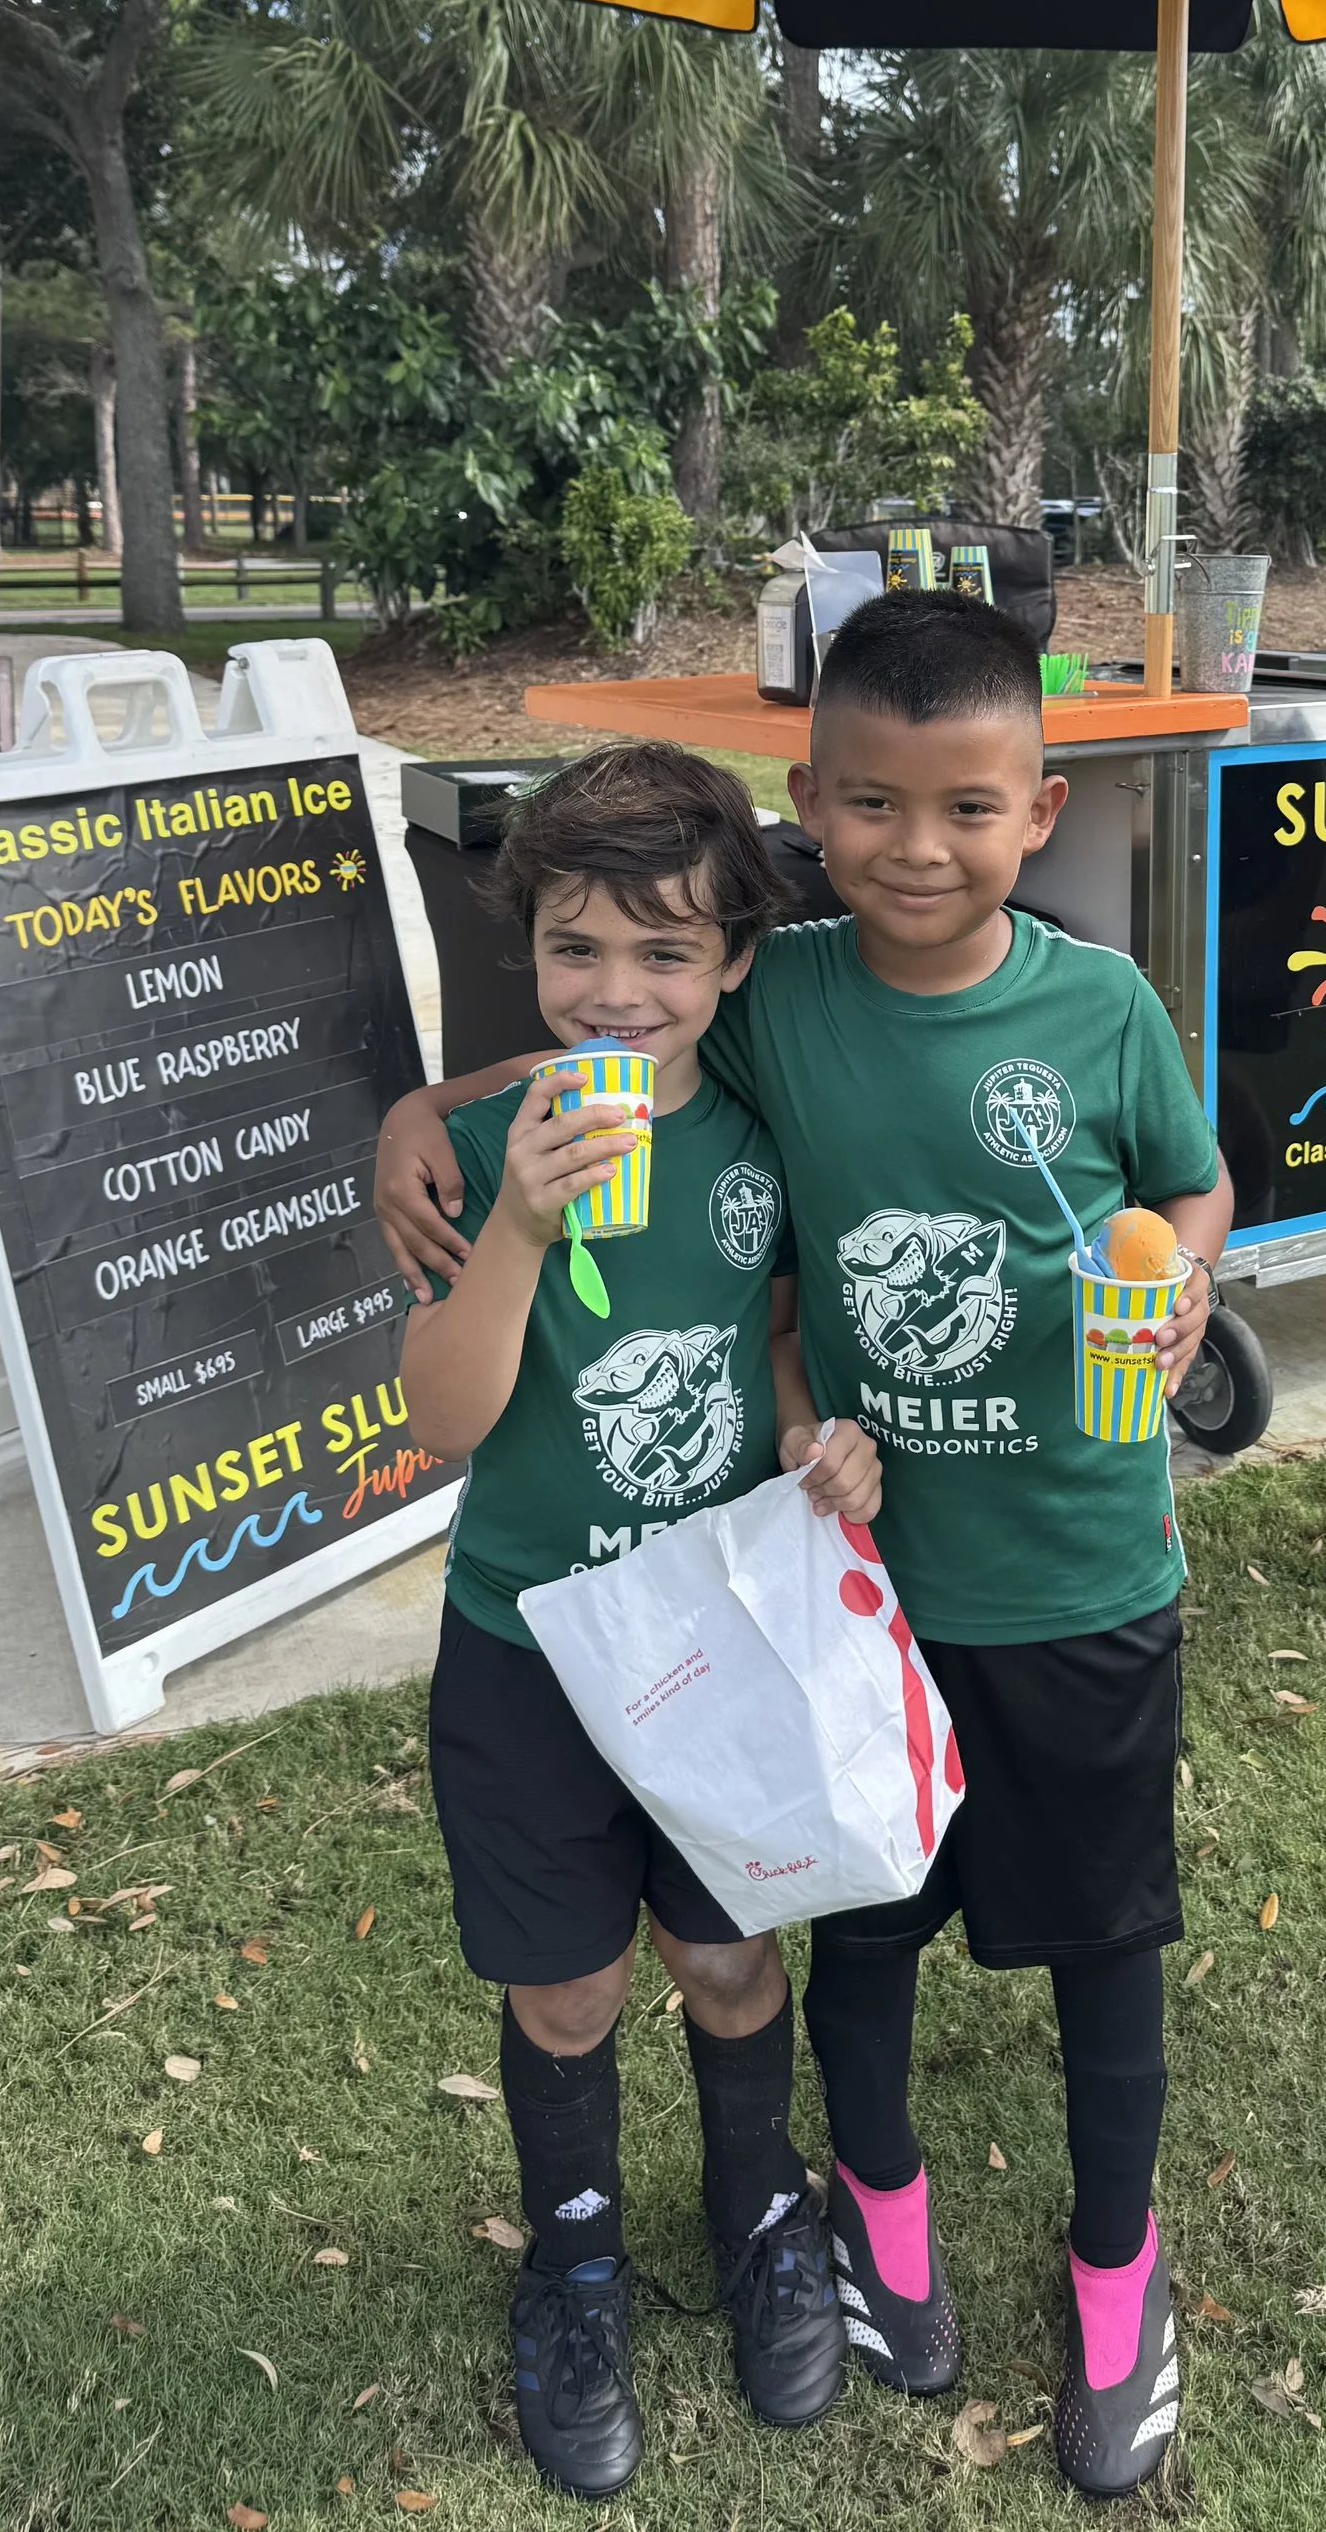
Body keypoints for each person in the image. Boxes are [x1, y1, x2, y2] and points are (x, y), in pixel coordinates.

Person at [377, 597, 1232, 2501]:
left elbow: (1180, 1180)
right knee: (817, 1928)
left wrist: (1188, 1284)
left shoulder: (1081, 1006)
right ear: (810, 811)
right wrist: (412, 1133)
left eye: (966, 807)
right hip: (768, 1603)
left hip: (1052, 1572)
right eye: (869, 805)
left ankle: (1053, 2259)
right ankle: (753, 2234)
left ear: (1040, 805)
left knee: (1016, 1942)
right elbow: (589, 1042)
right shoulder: (772, 995)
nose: (916, 847)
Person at [398, 742, 881, 2499]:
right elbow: (446, 1418)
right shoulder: (474, 1147)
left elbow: (767, 1347)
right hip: (530, 1647)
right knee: (571, 1986)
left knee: (730, 1954)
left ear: (734, 963)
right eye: (578, 946)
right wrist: (517, 1218)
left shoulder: (757, 1140)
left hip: (715, 1634)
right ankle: (578, 2249)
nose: (620, 989)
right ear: (527, 944)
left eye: (667, 953)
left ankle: (762, 2202)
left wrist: (821, 1435)